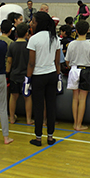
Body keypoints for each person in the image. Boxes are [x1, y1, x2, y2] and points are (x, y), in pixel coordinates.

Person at [25, 11, 61, 146]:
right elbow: (57, 62)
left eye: (33, 21)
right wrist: (58, 76)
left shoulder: (34, 39)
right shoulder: (55, 38)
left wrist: (28, 80)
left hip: (38, 76)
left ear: (38, 23)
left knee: (39, 107)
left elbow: (31, 63)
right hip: (52, 74)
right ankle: (50, 137)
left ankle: (38, 138)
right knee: (51, 106)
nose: (31, 24)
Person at [65, 20, 90, 131]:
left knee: (75, 98)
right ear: (88, 31)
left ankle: (75, 123)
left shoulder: (71, 44)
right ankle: (79, 124)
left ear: (76, 31)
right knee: (82, 99)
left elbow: (67, 61)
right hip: (86, 71)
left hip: (74, 70)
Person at [7, 22, 33, 125]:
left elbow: (9, 61)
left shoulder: (12, 45)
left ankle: (12, 118)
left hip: (14, 75)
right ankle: (28, 119)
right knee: (27, 97)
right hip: (26, 75)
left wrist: (8, 72)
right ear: (27, 33)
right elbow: (31, 61)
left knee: (13, 97)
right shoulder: (29, 46)